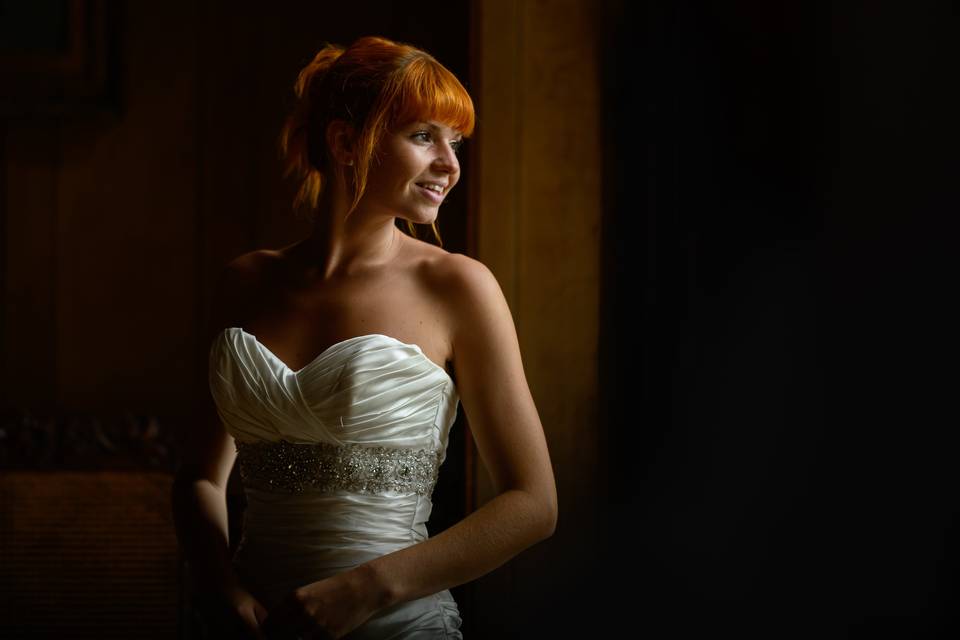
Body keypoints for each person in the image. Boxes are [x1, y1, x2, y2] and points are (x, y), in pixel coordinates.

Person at [171, 35, 557, 639]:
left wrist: (365, 590)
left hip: (394, 623)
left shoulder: (458, 287)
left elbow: (534, 504)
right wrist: (222, 589)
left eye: (455, 143)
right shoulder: (244, 284)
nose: (450, 165)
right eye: (424, 136)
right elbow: (199, 476)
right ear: (347, 141)